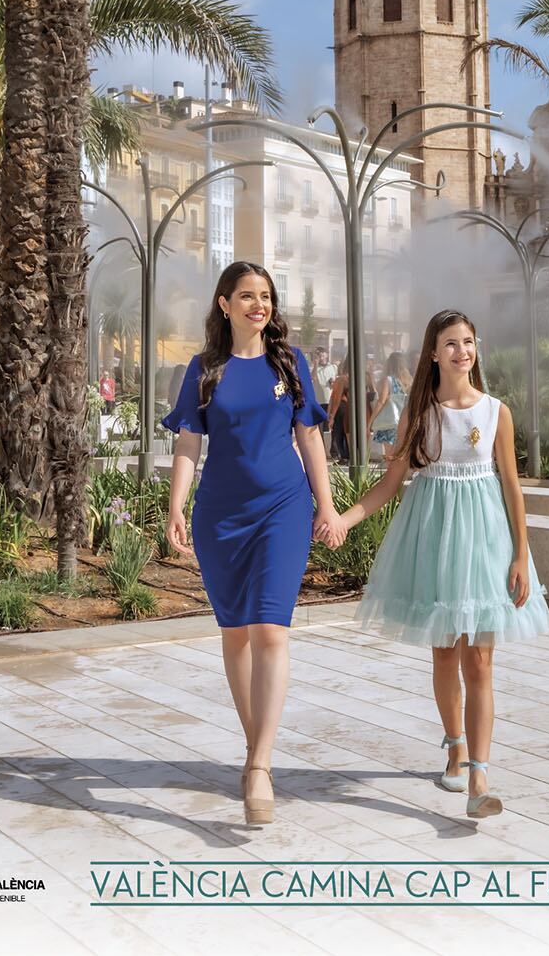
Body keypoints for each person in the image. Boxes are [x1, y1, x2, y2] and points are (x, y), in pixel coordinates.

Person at [322, 309, 549, 820]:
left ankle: (480, 776)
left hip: (486, 543)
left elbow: (512, 487)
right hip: (435, 541)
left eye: (468, 342)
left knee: (482, 661)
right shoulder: (419, 413)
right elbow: (388, 485)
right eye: (451, 343)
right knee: (446, 655)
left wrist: (521, 554)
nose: (462, 351)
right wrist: (343, 519)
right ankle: (454, 746)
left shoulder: (496, 411)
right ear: (433, 352)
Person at [164, 261, 338, 827]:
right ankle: (254, 750)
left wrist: (327, 504)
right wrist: (176, 504)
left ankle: (260, 765)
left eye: (265, 296)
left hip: (283, 508)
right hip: (220, 514)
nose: (258, 305)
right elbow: (190, 442)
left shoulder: (289, 363)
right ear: (224, 305)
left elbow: (309, 437)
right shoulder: (203, 370)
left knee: (269, 628)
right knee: (235, 634)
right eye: (246, 296)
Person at [368, 350, 411, 459]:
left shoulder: (389, 380)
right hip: (405, 421)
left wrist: (371, 421)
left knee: (390, 455)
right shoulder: (408, 380)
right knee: (401, 455)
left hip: (390, 422)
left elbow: (382, 401)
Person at [327, 356, 351, 463]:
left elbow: (336, 398)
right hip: (351, 408)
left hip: (341, 408)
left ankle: (344, 457)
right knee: (348, 433)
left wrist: (331, 416)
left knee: (338, 433)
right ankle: (349, 456)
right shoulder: (359, 378)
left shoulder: (341, 379)